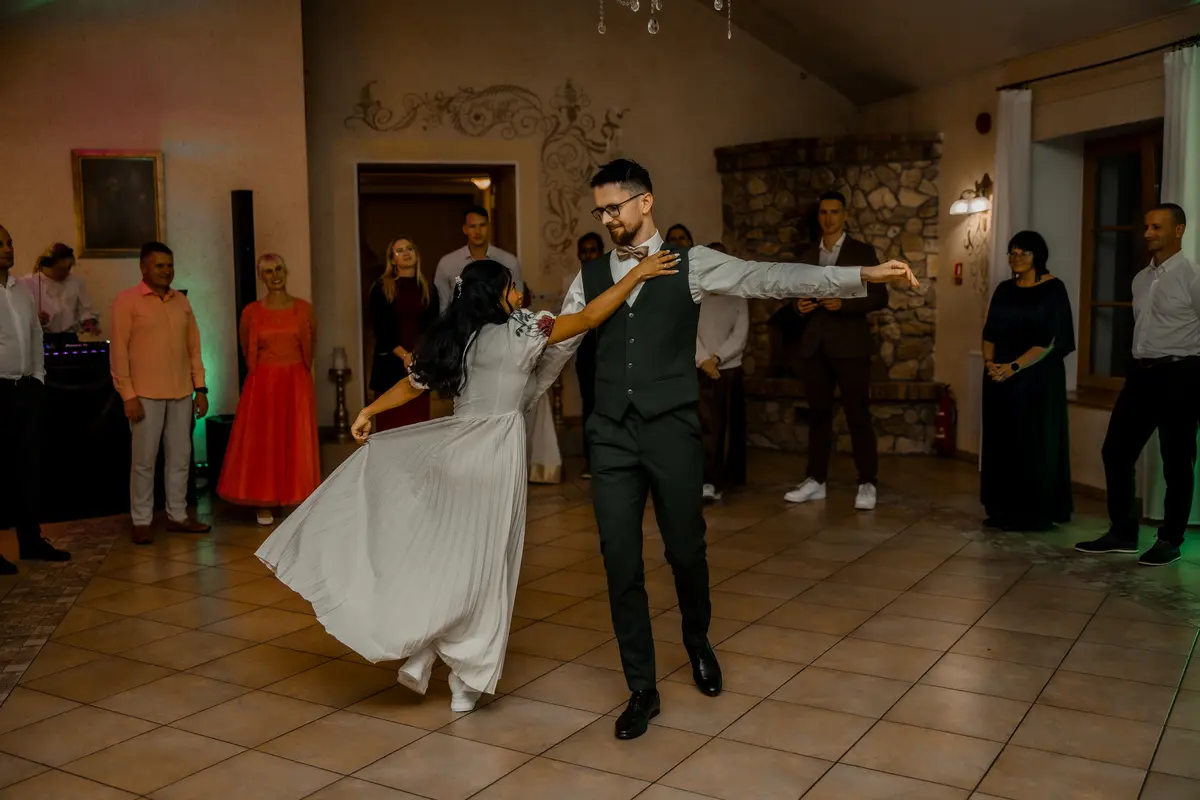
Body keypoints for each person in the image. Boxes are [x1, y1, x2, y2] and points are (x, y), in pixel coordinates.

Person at [529, 159, 917, 740]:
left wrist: (860, 275)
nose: (606, 219)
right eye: (599, 210)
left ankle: (697, 640)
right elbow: (560, 347)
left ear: (645, 202)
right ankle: (642, 688)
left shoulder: (693, 263)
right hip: (610, 435)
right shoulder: (588, 276)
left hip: (671, 429)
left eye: (614, 207)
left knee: (686, 551)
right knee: (619, 561)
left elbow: (768, 278)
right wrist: (513, 406)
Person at [255, 254, 680, 713]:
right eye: (511, 287)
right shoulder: (527, 328)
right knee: (489, 565)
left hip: (455, 453)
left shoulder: (454, 337)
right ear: (495, 295)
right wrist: (638, 274)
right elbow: (592, 316)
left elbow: (411, 385)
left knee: (450, 556)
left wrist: (368, 411)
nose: (518, 293)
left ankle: (425, 649)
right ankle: (465, 676)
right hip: (496, 455)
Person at [1077, 203, 1199, 567]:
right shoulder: (1141, 279)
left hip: (1181, 374)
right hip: (1141, 374)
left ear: (1178, 230)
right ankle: (1123, 532)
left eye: (1157, 227)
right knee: (1115, 451)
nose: (1148, 233)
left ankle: (1170, 539)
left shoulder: (1192, 276)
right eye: (1146, 226)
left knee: (1177, 461)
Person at [780, 191, 888, 511]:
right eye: (823, 212)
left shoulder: (862, 252)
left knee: (858, 416)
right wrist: (798, 308)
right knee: (818, 417)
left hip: (851, 347)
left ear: (845, 216)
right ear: (819, 217)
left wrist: (844, 304)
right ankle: (816, 480)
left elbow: (880, 297)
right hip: (815, 347)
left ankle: (867, 482)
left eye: (834, 212)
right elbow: (792, 296)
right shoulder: (807, 255)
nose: (828, 218)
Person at [110, 242, 211, 545]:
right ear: (143, 267)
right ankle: (142, 520)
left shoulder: (181, 301)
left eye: (170, 265)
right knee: (144, 461)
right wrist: (128, 394)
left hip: (181, 392)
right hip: (144, 395)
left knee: (181, 457)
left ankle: (177, 515)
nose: (166, 271)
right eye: (159, 265)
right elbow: (119, 351)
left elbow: (194, 348)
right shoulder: (127, 301)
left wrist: (200, 388)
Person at [980, 231, 1075, 531]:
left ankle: (1034, 511)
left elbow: (1051, 340)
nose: (1016, 258)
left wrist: (1014, 367)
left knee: (1034, 441)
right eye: (1012, 253)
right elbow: (989, 332)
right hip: (999, 376)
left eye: (1024, 253)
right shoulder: (1004, 289)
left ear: (1038, 256)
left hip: (1037, 377)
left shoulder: (1054, 289)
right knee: (1001, 441)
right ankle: (1001, 508)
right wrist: (990, 364)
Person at [217, 254, 320, 526]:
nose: (275, 276)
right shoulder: (251, 312)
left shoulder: (304, 309)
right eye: (268, 271)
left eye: (278, 269)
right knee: (265, 440)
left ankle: (295, 496)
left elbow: (311, 343)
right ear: (260, 276)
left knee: (295, 438)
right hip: (263, 383)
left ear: (286, 272)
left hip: (296, 382)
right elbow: (245, 346)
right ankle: (264, 501)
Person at [0, 225, 70, 574]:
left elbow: (34, 336)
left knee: (28, 469)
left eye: (9, 242)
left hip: (26, 389)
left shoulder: (22, 291)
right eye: (0, 244)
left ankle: (30, 540)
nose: (7, 249)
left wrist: (38, 379)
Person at [368, 237, 440, 431]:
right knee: (389, 429)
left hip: (419, 365)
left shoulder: (428, 290)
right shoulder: (381, 288)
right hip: (389, 366)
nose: (406, 253)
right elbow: (381, 329)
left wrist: (417, 355)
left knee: (417, 428)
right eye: (400, 250)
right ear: (392, 260)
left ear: (417, 254)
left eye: (410, 249)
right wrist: (404, 355)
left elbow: (432, 329)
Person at [696, 284, 748, 502]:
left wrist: (717, 358)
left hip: (728, 368)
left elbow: (740, 334)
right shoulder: (696, 296)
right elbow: (687, 329)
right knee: (703, 425)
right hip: (699, 367)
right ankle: (703, 479)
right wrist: (703, 360)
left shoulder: (738, 297)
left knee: (725, 426)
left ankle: (721, 479)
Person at [434, 206, 523, 314]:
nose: (478, 231)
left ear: (489, 226)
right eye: (472, 226)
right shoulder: (447, 263)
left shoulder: (509, 261)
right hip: (461, 322)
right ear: (465, 229)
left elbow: (517, 302)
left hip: (500, 322)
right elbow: (443, 307)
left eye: (482, 225)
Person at [21, 243, 100, 345]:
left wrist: (89, 323)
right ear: (47, 266)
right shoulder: (27, 283)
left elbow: (86, 310)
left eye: (68, 268)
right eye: (61, 269)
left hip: (69, 338)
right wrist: (34, 319)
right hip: (41, 339)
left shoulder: (76, 283)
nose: (65, 272)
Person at [574, 232, 605, 479]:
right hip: (585, 351)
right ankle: (590, 460)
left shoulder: (612, 279)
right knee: (589, 406)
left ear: (601, 253)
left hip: (609, 349)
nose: (588, 255)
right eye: (584, 251)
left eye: (593, 250)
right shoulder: (573, 282)